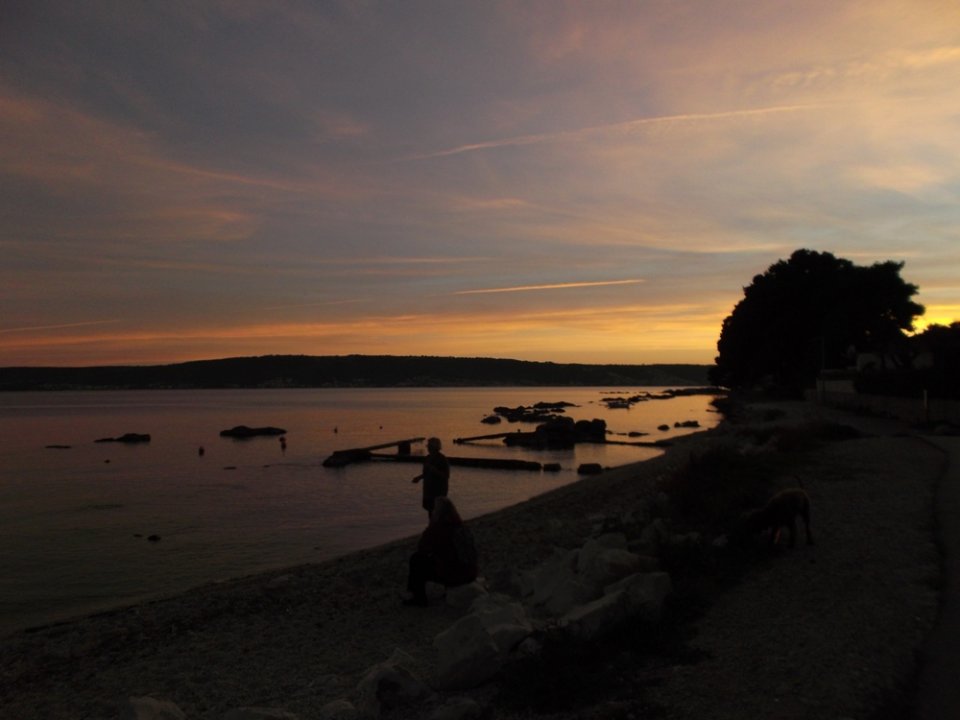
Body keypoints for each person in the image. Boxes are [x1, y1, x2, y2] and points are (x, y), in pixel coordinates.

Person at [404, 496, 478, 606]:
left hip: (456, 576)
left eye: (434, 509)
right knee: (445, 557)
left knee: (416, 559)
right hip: (471, 573)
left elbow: (422, 548)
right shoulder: (462, 527)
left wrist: (430, 527)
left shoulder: (437, 530)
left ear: (437, 513)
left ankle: (419, 598)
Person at [411, 437, 449, 517]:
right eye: (428, 446)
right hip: (428, 490)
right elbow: (426, 473)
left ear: (434, 447)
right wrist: (418, 478)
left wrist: (434, 470)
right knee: (430, 510)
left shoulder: (442, 459)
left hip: (439, 490)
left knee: (438, 512)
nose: (428, 448)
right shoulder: (427, 458)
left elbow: (446, 475)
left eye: (429, 446)